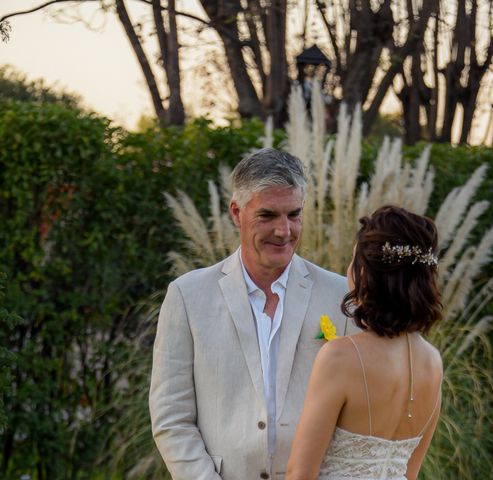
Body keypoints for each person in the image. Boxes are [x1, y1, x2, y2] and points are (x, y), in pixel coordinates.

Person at [149, 148, 352, 480]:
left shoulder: (341, 297)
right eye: (268, 215)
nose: (284, 231)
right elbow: (171, 418)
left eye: (294, 214)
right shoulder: (187, 296)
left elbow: (355, 417)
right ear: (235, 212)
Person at [286, 205, 444, 480]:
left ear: (365, 274)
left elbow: (300, 474)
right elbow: (410, 474)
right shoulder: (432, 361)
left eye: (353, 260)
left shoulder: (340, 357)